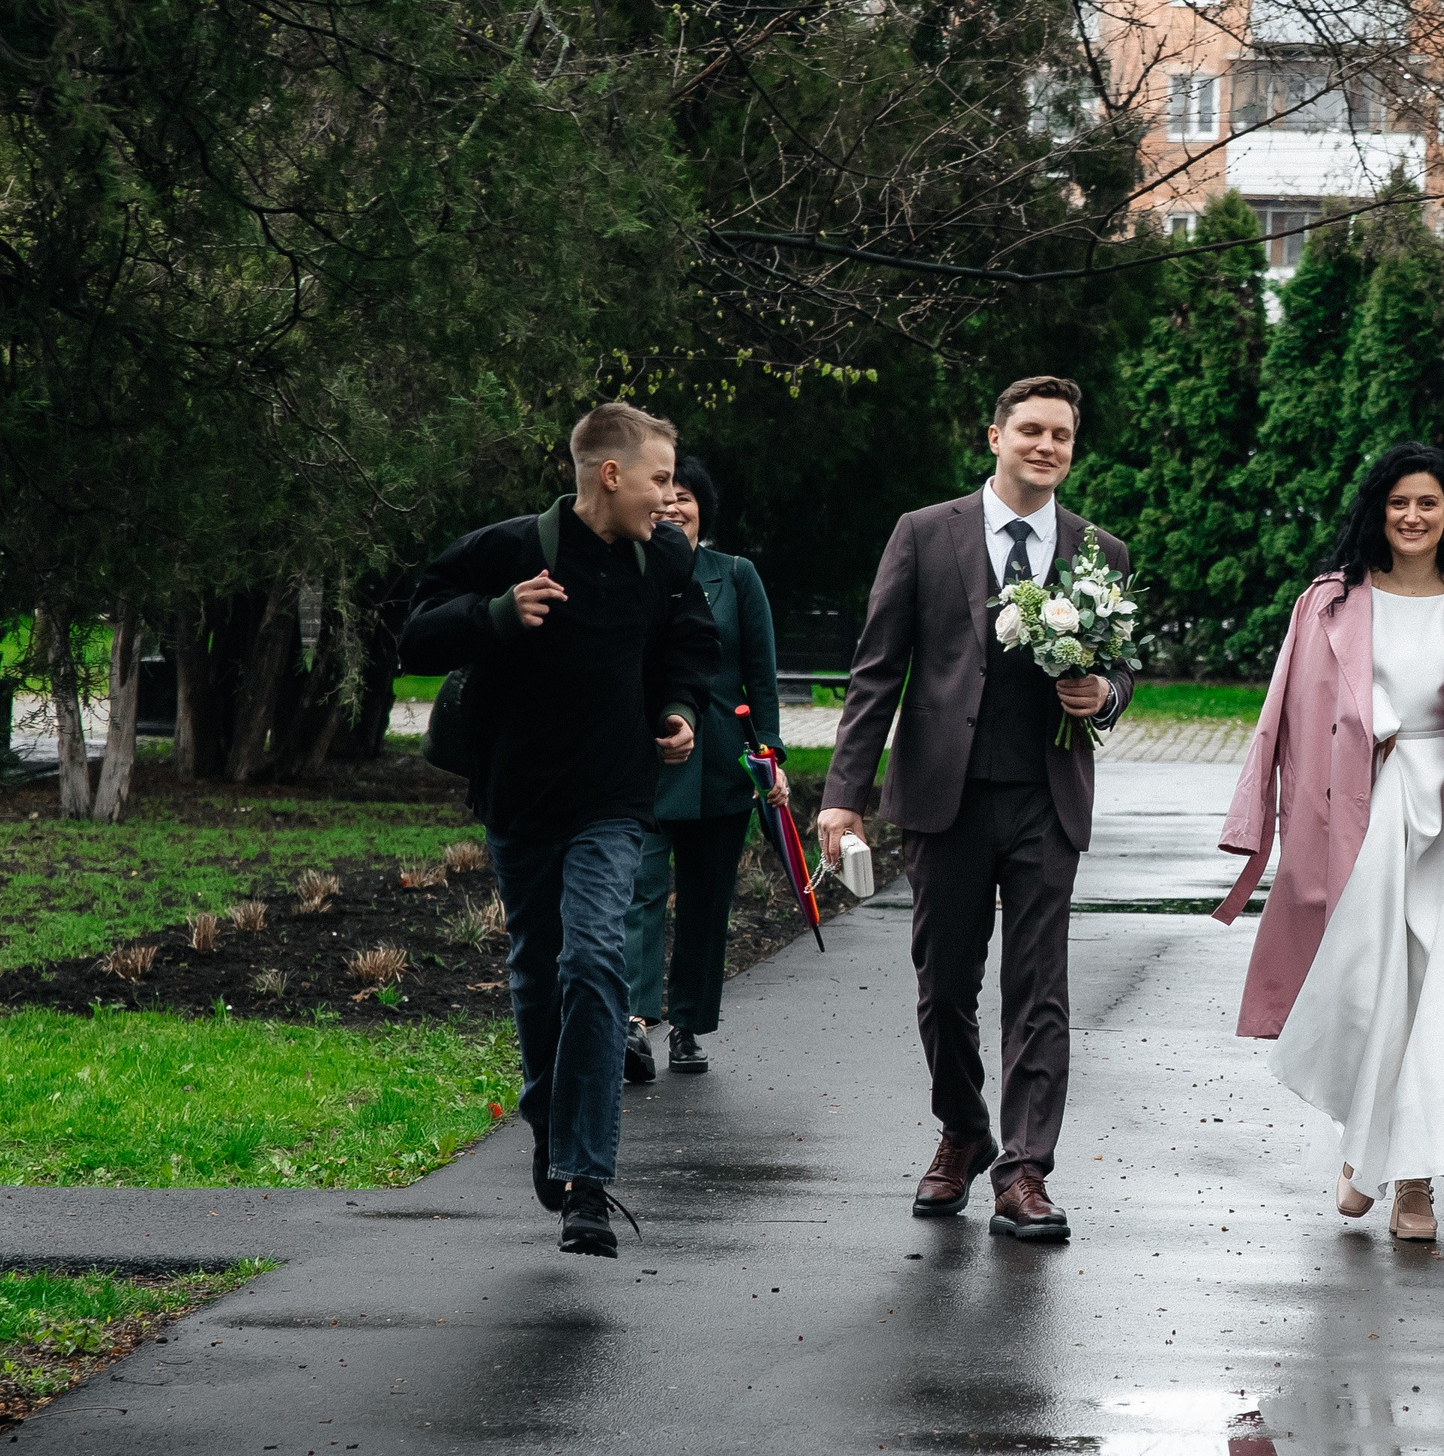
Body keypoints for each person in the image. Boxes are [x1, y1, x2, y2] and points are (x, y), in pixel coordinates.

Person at [813, 376, 1132, 1243]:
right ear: (994, 436)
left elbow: (1123, 669)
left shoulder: (1100, 550)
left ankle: (1023, 1168)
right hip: (942, 799)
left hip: (1045, 797)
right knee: (945, 986)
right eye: (1030, 429)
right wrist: (845, 796)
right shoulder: (925, 533)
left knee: (1039, 991)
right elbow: (877, 669)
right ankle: (962, 1125)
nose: (1047, 445)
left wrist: (1103, 692)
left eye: (1062, 434)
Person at [1215, 444, 1444, 1242]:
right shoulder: (1327, 604)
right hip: (1362, 815)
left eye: (1428, 503)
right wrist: (1252, 826)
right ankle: (1367, 1144)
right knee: (1372, 990)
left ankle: (1413, 1184)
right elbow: (1277, 717)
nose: (1412, 516)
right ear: (1378, 510)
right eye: (1398, 501)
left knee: (1442, 995)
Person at [401, 402, 719, 1257]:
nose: (670, 497)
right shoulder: (509, 549)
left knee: (594, 959)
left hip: (615, 800)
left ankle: (586, 1179)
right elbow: (414, 635)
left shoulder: (666, 559)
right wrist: (497, 613)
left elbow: (686, 647)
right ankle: (551, 1120)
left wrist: (680, 709)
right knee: (538, 972)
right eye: (659, 479)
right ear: (609, 474)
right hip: (519, 799)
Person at [618, 457, 783, 1083]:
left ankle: (690, 1024)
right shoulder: (629, 570)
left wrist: (768, 754)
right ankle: (634, 1023)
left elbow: (761, 675)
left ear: (700, 508)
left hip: (720, 762)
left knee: (708, 900)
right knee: (638, 888)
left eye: (683, 496)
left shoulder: (735, 576)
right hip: (647, 758)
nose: (671, 507)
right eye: (661, 495)